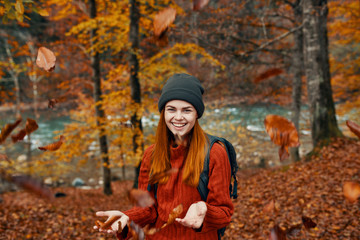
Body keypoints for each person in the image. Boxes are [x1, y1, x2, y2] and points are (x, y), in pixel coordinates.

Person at [94, 73, 234, 239]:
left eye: (187, 110)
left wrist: (204, 210)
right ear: (163, 113)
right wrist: (127, 217)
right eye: (171, 109)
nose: (178, 117)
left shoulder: (215, 152)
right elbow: (148, 210)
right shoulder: (151, 155)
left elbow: (224, 212)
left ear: (197, 114)